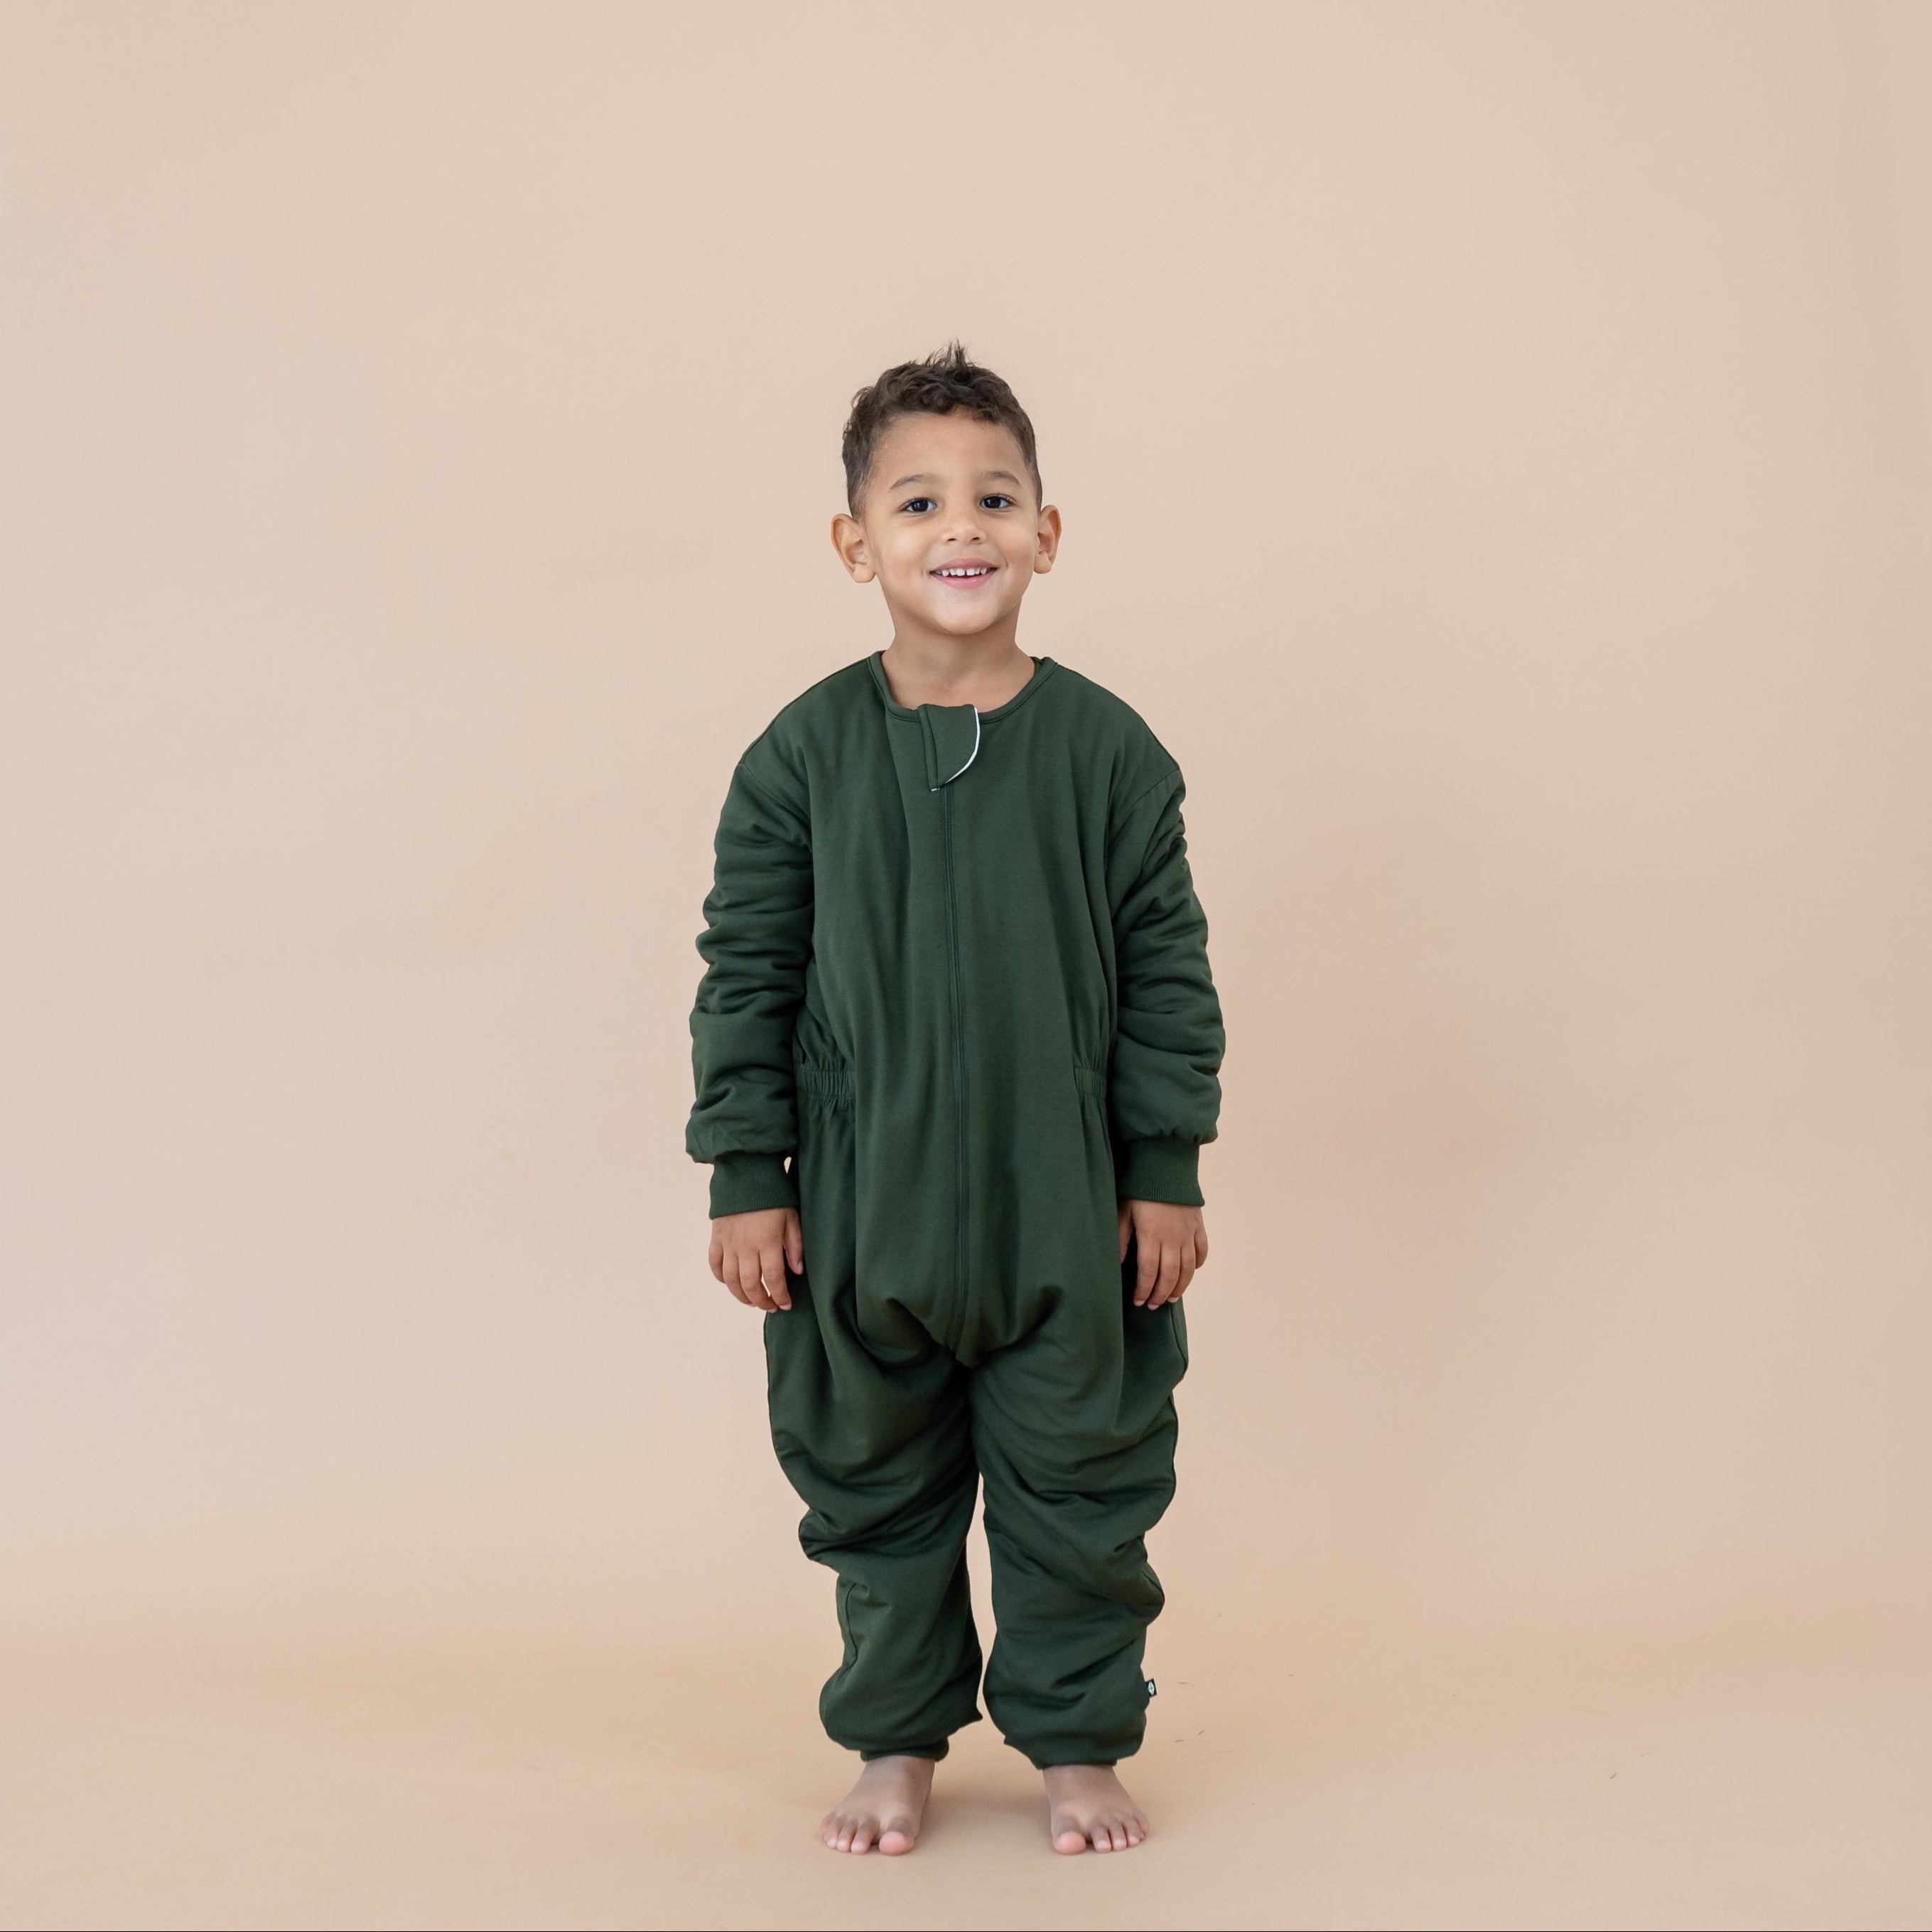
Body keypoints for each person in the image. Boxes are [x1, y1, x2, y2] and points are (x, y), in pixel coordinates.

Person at [686, 345, 1224, 1857]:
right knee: (874, 1484)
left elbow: (1169, 972)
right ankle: (894, 1736)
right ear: (857, 545)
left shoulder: (1111, 756)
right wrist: (748, 1171)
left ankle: (1076, 1741)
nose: (959, 524)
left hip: (1070, 1212)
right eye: (916, 501)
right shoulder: (799, 759)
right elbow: (746, 975)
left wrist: (1160, 1163)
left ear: (1047, 531)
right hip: (866, 1213)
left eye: (994, 494)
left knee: (1084, 1478)